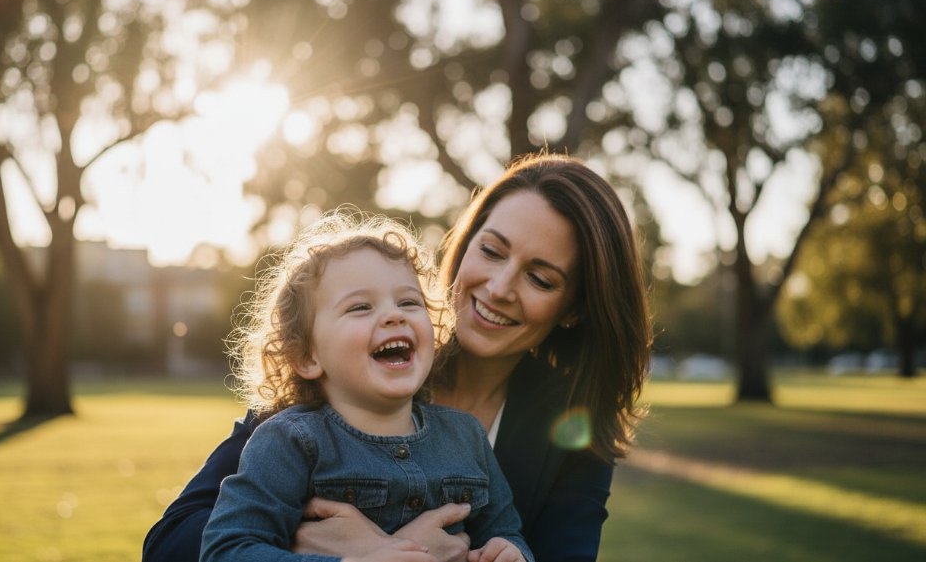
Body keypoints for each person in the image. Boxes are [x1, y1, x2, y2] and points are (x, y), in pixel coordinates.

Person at [144, 153, 652, 562]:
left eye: (540, 279)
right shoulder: (349, 369)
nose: (499, 288)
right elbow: (173, 544)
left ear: (574, 309)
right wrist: (342, 549)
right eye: (492, 251)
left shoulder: (573, 426)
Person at [199, 212, 533, 562]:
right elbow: (228, 550)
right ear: (307, 357)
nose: (395, 315)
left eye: (408, 302)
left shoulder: (466, 436)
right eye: (360, 307)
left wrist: (510, 552)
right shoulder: (290, 442)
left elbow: (506, 531)